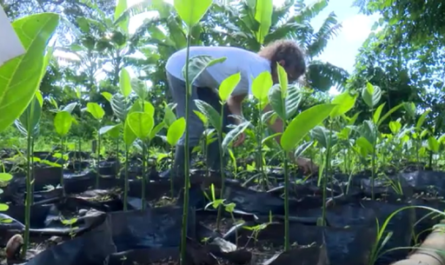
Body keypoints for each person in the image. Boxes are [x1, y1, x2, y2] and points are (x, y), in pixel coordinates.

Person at [164, 40, 318, 178]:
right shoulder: (261, 69)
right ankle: (177, 176)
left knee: (224, 122)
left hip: (201, 81)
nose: (288, 83)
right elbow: (272, 118)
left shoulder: (259, 71)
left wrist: (239, 124)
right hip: (181, 68)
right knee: (194, 125)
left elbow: (234, 100)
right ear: (282, 64)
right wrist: (295, 156)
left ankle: (216, 174)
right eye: (289, 77)